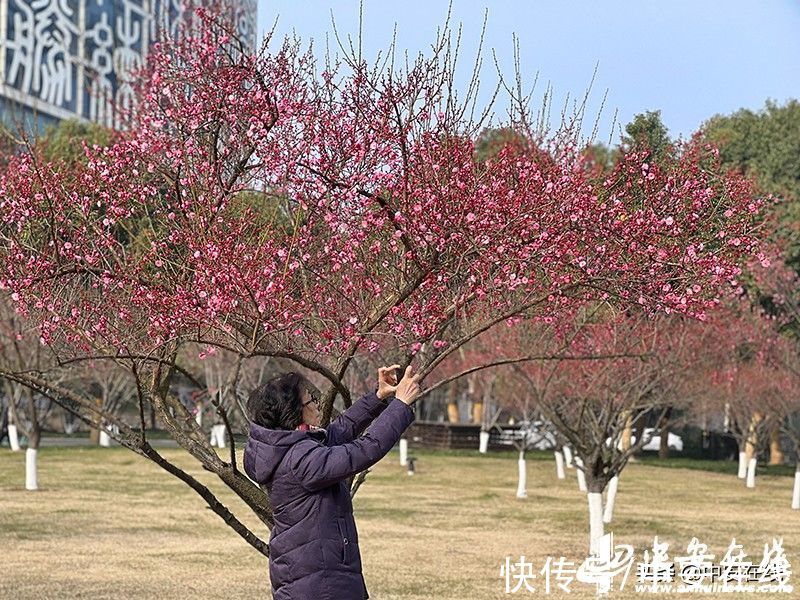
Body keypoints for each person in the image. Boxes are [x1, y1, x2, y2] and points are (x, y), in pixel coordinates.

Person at [243, 364, 422, 600]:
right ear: (294, 411)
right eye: (311, 400)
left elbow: (338, 432)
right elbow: (366, 449)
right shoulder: (301, 460)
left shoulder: (289, 450)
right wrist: (400, 405)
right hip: (320, 580)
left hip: (310, 573)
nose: (317, 404)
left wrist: (378, 396)